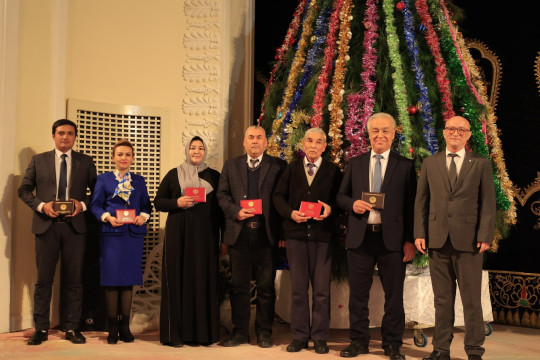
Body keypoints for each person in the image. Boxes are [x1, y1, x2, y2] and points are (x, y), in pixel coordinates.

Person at [414, 116, 495, 360]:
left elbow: (488, 204)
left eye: (461, 129)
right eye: (451, 128)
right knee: (442, 300)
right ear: (444, 132)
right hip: (438, 240)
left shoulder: (480, 164)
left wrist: (484, 234)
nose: (456, 133)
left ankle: (474, 350)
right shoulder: (431, 162)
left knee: (471, 300)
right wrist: (419, 232)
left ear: (469, 135)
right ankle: (441, 350)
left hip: (469, 241)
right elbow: (421, 202)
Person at [336, 113, 416, 359]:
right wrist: (353, 205)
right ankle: (358, 341)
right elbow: (341, 196)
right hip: (361, 238)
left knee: (394, 296)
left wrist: (410, 240)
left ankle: (392, 344)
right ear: (368, 134)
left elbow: (412, 206)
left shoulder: (405, 165)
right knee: (358, 295)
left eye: (385, 131)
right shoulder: (356, 163)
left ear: (393, 134)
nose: (380, 135)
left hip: (392, 240)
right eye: (375, 131)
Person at [18, 119, 97, 345]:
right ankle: (41, 329)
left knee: (74, 281)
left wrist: (81, 205)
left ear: (75, 137)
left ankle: (72, 328)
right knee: (43, 281)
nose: (65, 137)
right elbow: (23, 190)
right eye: (61, 133)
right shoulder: (38, 160)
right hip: (46, 227)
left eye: (70, 134)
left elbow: (97, 193)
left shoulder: (85, 162)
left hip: (76, 229)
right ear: (53, 136)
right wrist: (43, 206)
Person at [272, 128, 342, 354]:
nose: (313, 145)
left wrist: (330, 209)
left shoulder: (333, 171)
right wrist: (291, 213)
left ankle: (320, 337)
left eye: (318, 142)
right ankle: (300, 335)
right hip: (296, 237)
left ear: (324, 146)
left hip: (323, 238)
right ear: (303, 143)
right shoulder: (291, 169)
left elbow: (341, 200)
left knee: (322, 291)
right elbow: (277, 197)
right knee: (298, 290)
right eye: (309, 140)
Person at [217, 125, 286, 348]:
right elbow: (222, 195)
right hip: (239, 233)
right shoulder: (231, 165)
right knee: (239, 286)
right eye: (250, 137)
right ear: (244, 142)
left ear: (266, 143)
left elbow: (283, 199)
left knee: (266, 287)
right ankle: (239, 332)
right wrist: (236, 210)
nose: (255, 141)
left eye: (259, 137)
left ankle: (264, 332)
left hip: (266, 235)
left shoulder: (278, 165)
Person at [155, 136, 222, 346]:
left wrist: (225, 238)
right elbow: (158, 202)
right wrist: (177, 202)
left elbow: (221, 209)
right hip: (178, 236)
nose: (196, 151)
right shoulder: (173, 174)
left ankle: (203, 335)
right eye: (192, 148)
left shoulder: (215, 176)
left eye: (200, 148)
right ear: (187, 150)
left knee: (203, 280)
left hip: (206, 237)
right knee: (177, 279)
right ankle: (175, 335)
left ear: (205, 151)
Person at [89, 139, 152, 344]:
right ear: (113, 157)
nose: (123, 158)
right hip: (112, 235)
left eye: (127, 154)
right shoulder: (104, 179)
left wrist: (144, 216)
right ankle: (112, 328)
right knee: (111, 282)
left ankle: (125, 326)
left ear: (132, 158)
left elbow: (146, 207)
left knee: (127, 282)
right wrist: (107, 217)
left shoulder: (140, 181)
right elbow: (96, 205)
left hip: (132, 236)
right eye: (120, 154)